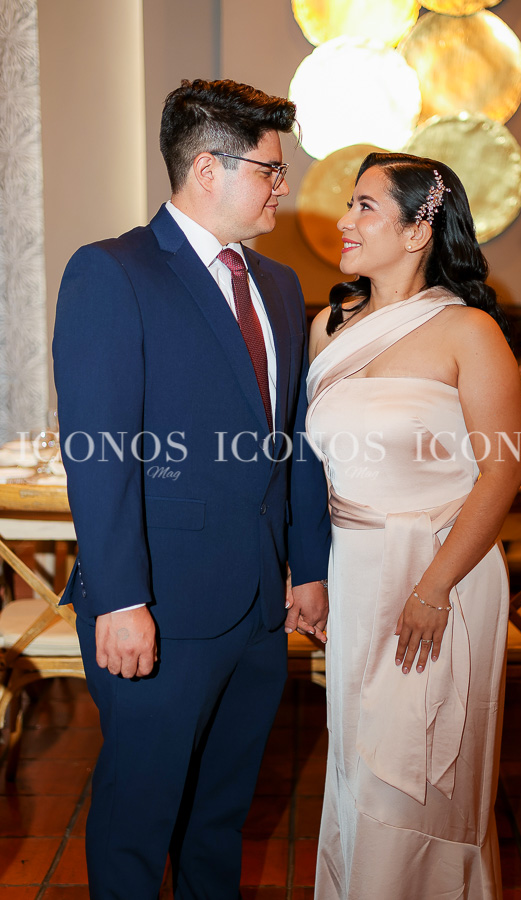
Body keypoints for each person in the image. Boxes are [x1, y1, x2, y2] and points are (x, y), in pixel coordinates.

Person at [52, 78, 330, 900]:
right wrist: (120, 599)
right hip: (159, 607)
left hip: (258, 607)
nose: (283, 185)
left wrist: (308, 567)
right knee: (138, 822)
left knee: (220, 820)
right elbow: (97, 455)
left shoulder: (281, 286)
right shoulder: (112, 272)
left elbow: (295, 443)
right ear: (208, 169)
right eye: (270, 169)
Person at [306, 152, 521, 899]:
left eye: (364, 206)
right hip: (354, 571)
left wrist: (432, 588)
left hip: (442, 573)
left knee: (419, 779)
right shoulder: (329, 328)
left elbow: (501, 474)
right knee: (357, 768)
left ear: (417, 230)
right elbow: (313, 467)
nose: (344, 221)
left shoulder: (469, 332)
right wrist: (310, 573)